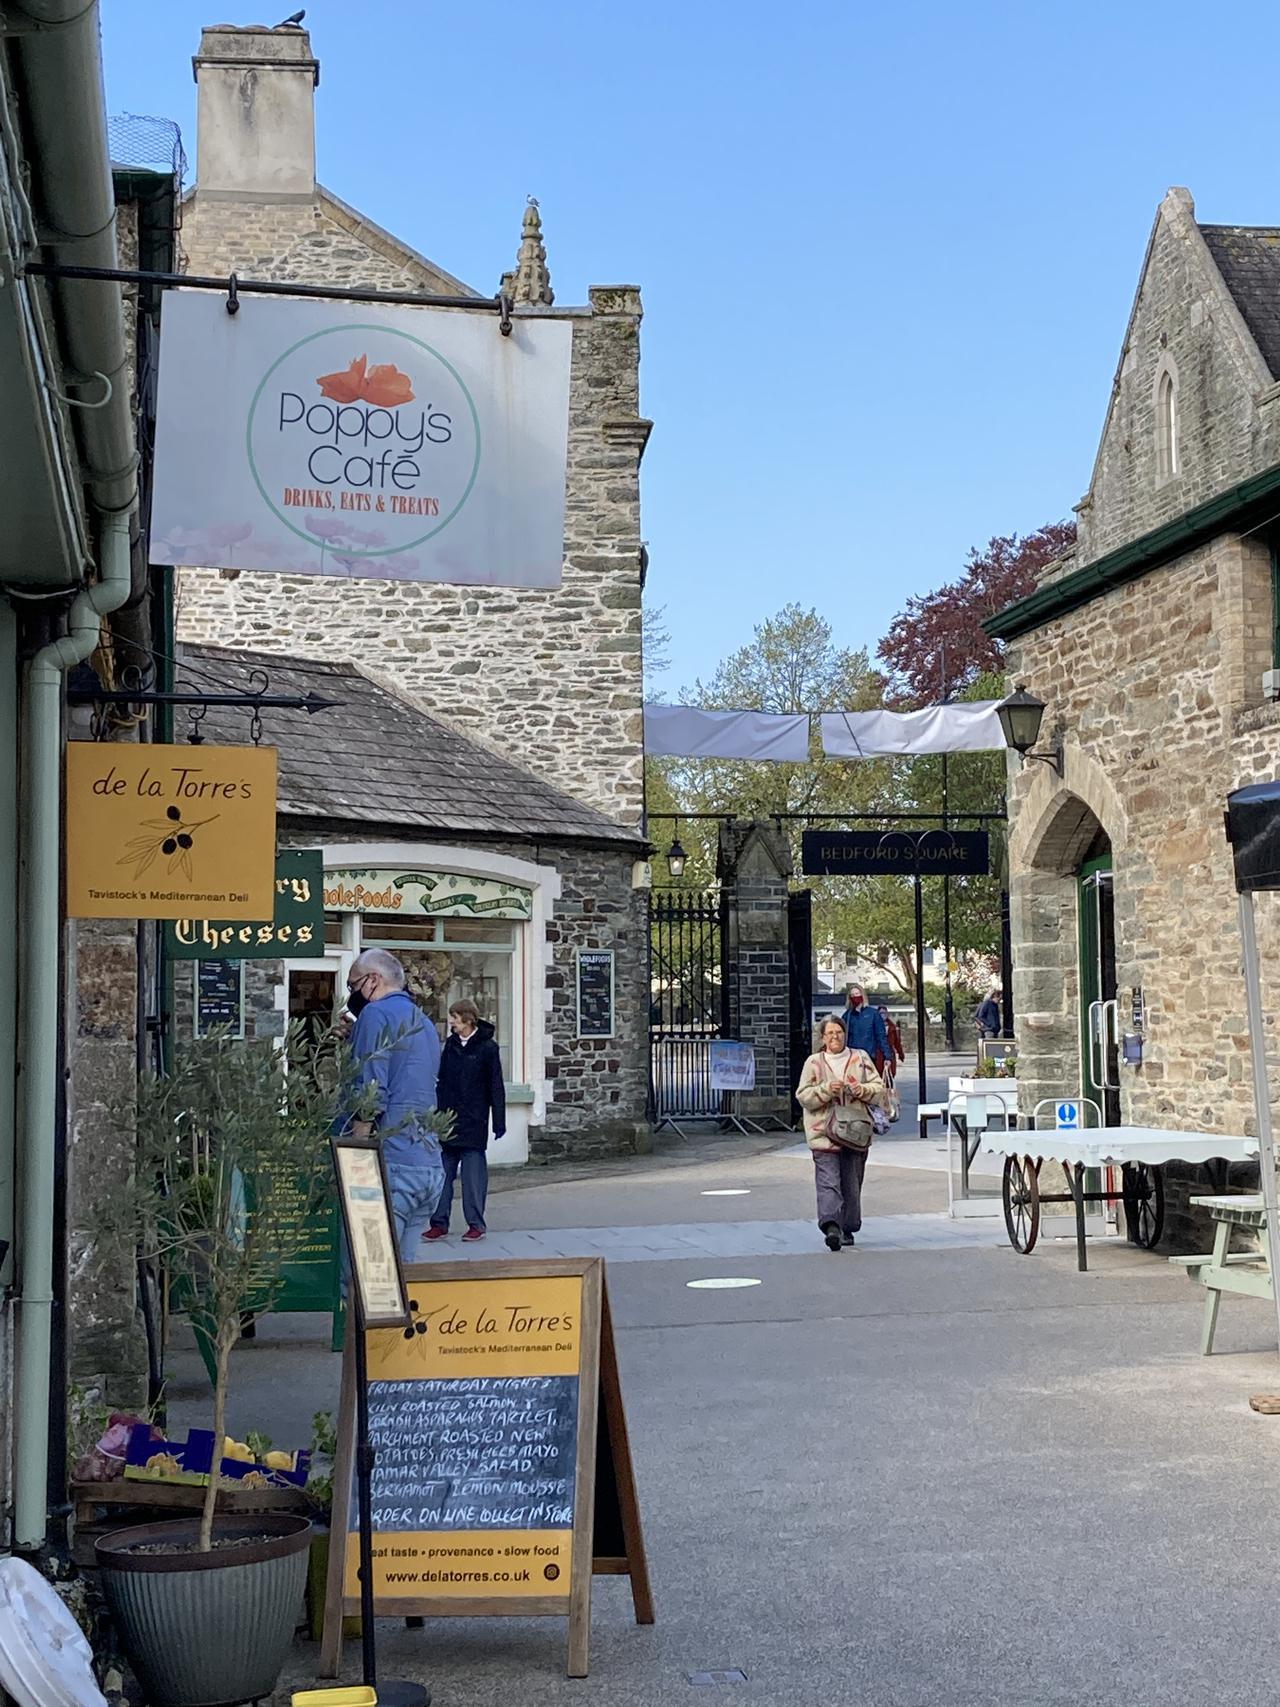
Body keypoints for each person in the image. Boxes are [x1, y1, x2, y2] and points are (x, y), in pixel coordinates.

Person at [339, 948, 443, 1260]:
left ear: (373, 980)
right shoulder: (422, 1021)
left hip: (392, 1163)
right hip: (428, 1164)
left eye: (352, 985)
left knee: (362, 1280)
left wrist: (355, 1157)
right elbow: (407, 1073)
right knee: (402, 1280)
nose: (351, 994)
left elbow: (371, 1092)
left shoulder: (375, 1014)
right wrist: (356, 1037)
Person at [795, 1016, 888, 1252]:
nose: (835, 1037)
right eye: (830, 1033)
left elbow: (878, 1089)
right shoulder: (813, 1062)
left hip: (855, 1131)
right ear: (823, 1037)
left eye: (839, 1032)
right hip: (823, 1132)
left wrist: (861, 1089)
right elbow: (803, 1096)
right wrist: (826, 1089)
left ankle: (848, 1226)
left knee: (851, 1181)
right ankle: (831, 1226)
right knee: (828, 1182)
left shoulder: (861, 1058)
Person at [424, 999, 506, 1244]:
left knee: (473, 1178)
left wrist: (498, 1121)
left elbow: (496, 1086)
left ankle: (476, 1224)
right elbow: (442, 1080)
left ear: (468, 1020)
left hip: (474, 1120)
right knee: (443, 1176)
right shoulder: (450, 1045)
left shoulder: (488, 1048)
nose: (451, 1022)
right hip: (448, 1120)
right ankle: (438, 1223)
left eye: (455, 1018)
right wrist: (437, 1115)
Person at [837, 982, 889, 1074]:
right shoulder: (847, 1015)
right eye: (852, 995)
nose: (855, 997)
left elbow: (881, 1036)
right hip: (852, 1057)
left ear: (862, 995)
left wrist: (887, 1056)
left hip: (869, 1057)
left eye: (857, 994)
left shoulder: (873, 1014)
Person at [876, 1003, 905, 1088]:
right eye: (880, 1013)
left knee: (890, 1076)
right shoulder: (874, 1027)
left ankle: (889, 1096)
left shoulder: (892, 1027)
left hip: (890, 1054)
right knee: (879, 1077)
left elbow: (897, 1042)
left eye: (884, 1013)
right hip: (878, 1054)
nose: (882, 1015)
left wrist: (901, 1054)